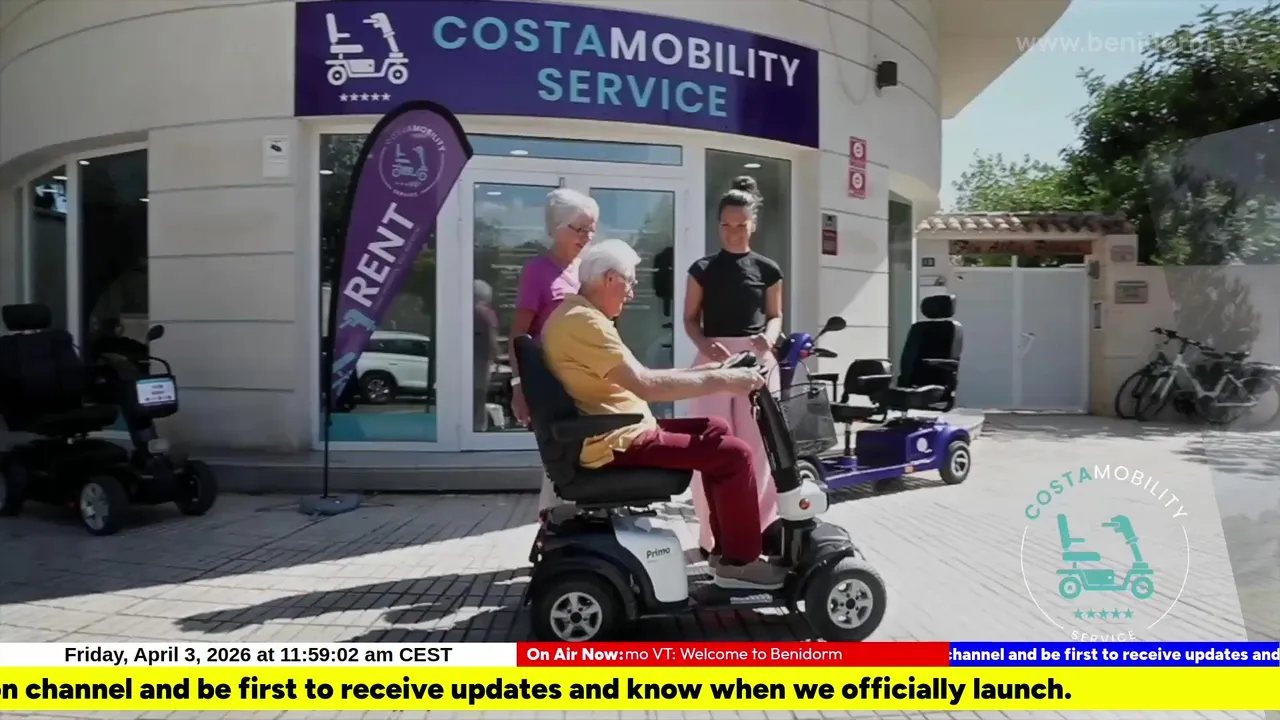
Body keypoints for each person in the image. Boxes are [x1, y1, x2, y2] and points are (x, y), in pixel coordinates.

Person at [541, 239, 787, 590]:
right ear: (610, 279)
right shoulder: (585, 323)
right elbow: (646, 386)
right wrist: (723, 380)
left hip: (616, 428)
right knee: (735, 454)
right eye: (630, 282)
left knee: (715, 428)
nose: (631, 292)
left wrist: (714, 370)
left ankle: (725, 550)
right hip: (615, 440)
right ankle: (741, 563)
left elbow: (641, 377)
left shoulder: (575, 315)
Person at [683, 176, 783, 559]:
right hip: (713, 362)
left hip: (757, 364)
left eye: (741, 224)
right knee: (710, 448)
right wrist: (704, 344)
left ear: (752, 224)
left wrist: (768, 338)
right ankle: (712, 536)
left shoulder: (768, 270)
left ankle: (758, 532)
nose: (733, 232)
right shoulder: (702, 268)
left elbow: (775, 315)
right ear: (718, 225)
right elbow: (690, 318)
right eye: (726, 224)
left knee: (758, 450)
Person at [506, 188, 598, 510]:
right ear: (557, 227)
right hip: (551, 384)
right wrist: (518, 385)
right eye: (580, 229)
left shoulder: (587, 270)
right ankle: (553, 526)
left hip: (586, 381)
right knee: (560, 461)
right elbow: (518, 334)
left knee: (588, 458)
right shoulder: (538, 270)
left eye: (592, 229)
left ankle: (577, 524)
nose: (587, 237)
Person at [473, 279, 500, 431]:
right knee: (479, 394)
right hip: (481, 360)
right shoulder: (486, 313)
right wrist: (497, 357)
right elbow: (492, 338)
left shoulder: (464, 311)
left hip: (471, 359)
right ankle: (478, 427)